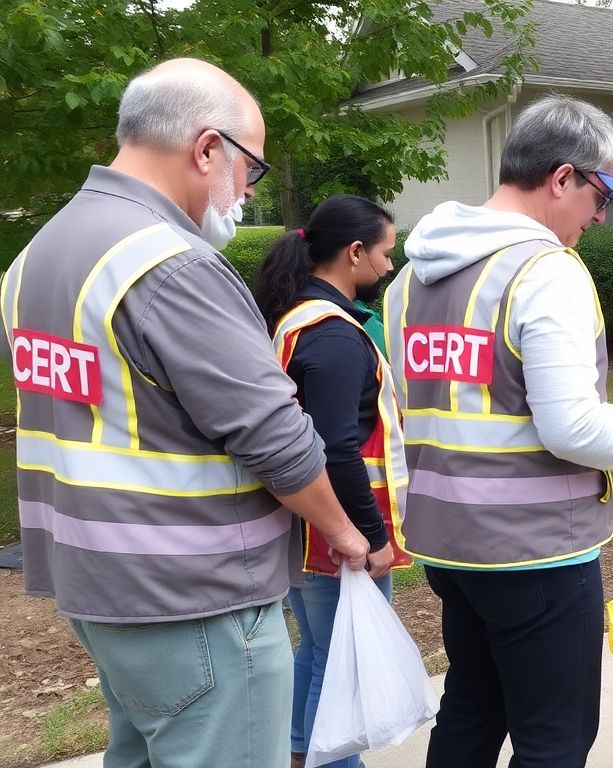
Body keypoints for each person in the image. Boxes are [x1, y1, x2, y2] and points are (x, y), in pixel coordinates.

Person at [0, 58, 370, 768]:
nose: (246, 190)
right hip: (196, 597)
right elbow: (277, 441)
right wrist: (342, 531)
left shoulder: (38, 254)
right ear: (206, 148)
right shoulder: (174, 265)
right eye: (249, 168)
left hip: (96, 586)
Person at [382, 94, 613, 768]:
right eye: (601, 193)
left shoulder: (411, 277)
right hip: (535, 554)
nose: (602, 214)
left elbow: (473, 407)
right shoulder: (545, 270)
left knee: (472, 707)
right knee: (555, 735)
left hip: (450, 546)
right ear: (562, 178)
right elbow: (564, 429)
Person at [252, 195, 412, 768]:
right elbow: (338, 448)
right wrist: (371, 537)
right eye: (385, 253)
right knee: (339, 665)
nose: (389, 267)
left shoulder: (293, 317)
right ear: (354, 253)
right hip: (335, 533)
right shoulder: (334, 335)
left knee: (318, 649)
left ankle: (298, 753)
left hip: (300, 525)